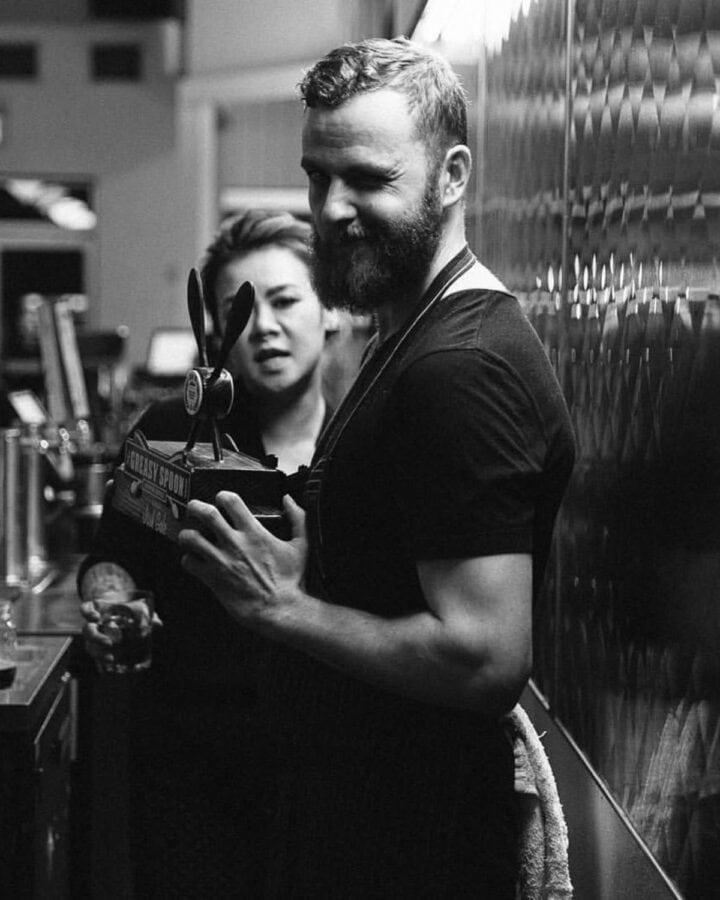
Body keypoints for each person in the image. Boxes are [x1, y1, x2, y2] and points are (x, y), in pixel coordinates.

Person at [178, 36, 576, 899]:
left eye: (369, 179)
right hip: (358, 824)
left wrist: (287, 609)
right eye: (319, 176)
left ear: (452, 173)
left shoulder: (459, 367)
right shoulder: (406, 338)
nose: (332, 208)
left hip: (413, 847)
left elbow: (484, 658)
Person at [77, 209, 335, 897]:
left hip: (332, 775)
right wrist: (112, 603)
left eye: (285, 300)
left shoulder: (365, 440)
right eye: (243, 312)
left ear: (328, 310)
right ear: (219, 330)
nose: (268, 326)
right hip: (190, 770)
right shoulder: (171, 431)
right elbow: (112, 558)